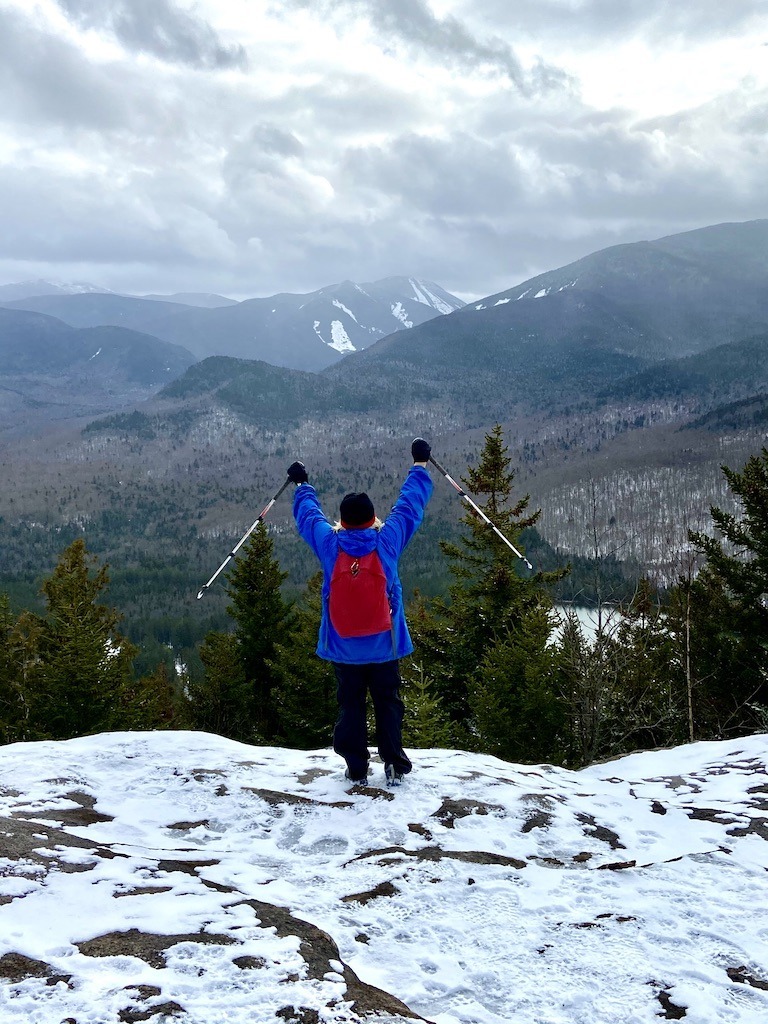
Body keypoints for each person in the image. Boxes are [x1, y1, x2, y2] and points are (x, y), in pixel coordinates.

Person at [287, 438, 433, 787]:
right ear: (371, 519)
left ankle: (355, 767)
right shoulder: (387, 542)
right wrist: (420, 466)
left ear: (342, 521)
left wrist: (302, 484)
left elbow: (308, 517)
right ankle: (394, 763)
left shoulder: (329, 545)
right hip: (385, 644)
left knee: (350, 705)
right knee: (388, 702)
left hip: (343, 646)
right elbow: (409, 506)